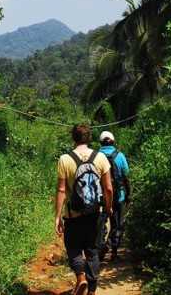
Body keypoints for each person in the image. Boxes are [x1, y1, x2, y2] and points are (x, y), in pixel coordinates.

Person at [55, 124, 113, 295]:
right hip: (95, 214)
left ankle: (80, 278)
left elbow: (61, 190)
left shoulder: (65, 159)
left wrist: (57, 216)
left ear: (73, 138)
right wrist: (108, 209)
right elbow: (108, 188)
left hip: (73, 215)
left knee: (73, 249)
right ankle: (92, 291)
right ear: (89, 138)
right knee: (92, 251)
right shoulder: (101, 157)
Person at [98, 131, 131, 261]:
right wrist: (128, 194)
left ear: (100, 143)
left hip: (101, 197)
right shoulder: (120, 156)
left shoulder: (95, 156)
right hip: (119, 196)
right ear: (113, 141)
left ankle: (100, 247)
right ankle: (114, 252)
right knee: (117, 224)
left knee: (101, 223)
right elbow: (126, 177)